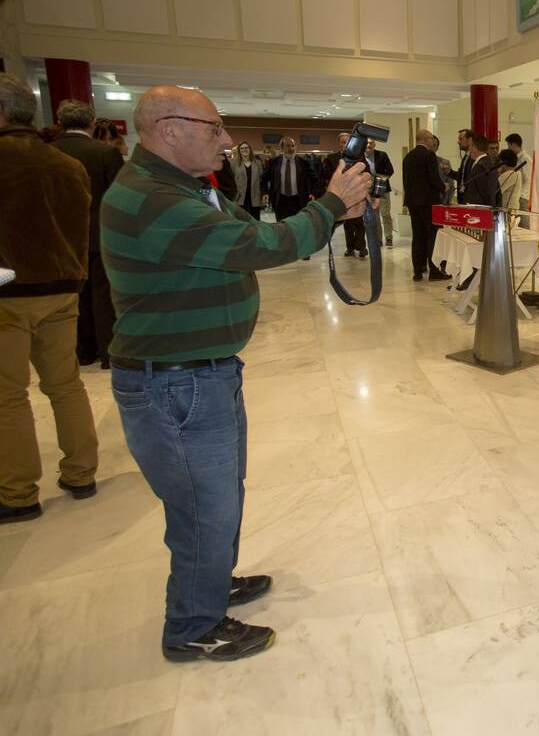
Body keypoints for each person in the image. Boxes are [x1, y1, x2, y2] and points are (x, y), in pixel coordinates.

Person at [101, 85, 372, 662]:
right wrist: (328, 205)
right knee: (205, 506)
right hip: (177, 383)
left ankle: (210, 582)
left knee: (217, 496)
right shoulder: (155, 199)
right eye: (214, 127)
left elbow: (246, 237)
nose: (226, 140)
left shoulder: (182, 188)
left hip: (198, 375)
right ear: (168, 129)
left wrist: (328, 214)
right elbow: (257, 243)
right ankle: (193, 627)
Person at [0, 75, 99, 523]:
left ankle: (18, 492)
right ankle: (81, 472)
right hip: (62, 287)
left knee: (8, 396)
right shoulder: (65, 164)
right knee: (65, 384)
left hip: (9, 292)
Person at [51, 98, 124, 368]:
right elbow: (120, 197)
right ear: (92, 123)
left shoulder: (51, 151)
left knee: (76, 294)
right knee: (104, 293)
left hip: (63, 235)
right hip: (100, 232)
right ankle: (108, 351)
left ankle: (83, 350)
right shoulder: (105, 153)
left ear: (61, 122)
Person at [403, 129, 449, 282]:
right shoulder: (429, 155)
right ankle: (434, 272)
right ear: (425, 139)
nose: (432, 141)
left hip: (412, 202)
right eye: (431, 138)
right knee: (432, 236)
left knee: (417, 236)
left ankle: (417, 271)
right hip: (428, 202)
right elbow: (433, 179)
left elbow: (406, 181)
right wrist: (444, 187)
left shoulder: (408, 157)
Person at [266, 137, 314, 222]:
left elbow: (314, 178)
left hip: (299, 201)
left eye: (293, 146)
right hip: (280, 200)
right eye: (287, 146)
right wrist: (265, 193)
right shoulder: (274, 162)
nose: (291, 148)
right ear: (282, 148)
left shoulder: (304, 162)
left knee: (299, 226)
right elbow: (264, 178)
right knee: (282, 227)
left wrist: (313, 192)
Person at [364, 139, 396, 246]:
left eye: (371, 143)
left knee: (385, 213)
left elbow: (390, 170)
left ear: (374, 145)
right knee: (375, 215)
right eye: (367, 143)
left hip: (381, 186)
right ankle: (378, 239)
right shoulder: (360, 157)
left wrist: (380, 179)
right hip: (368, 189)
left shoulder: (382, 155)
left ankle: (389, 237)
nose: (369, 145)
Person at [460, 132, 502, 207]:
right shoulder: (490, 163)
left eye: (470, 147)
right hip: (487, 209)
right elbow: (497, 191)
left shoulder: (481, 166)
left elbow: (485, 192)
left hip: (479, 211)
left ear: (474, 148)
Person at [229, 141, 264, 219]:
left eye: (246, 148)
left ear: (250, 149)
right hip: (240, 196)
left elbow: (261, 179)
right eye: (242, 148)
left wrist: (263, 194)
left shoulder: (257, 163)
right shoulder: (234, 163)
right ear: (239, 151)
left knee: (255, 219)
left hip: (254, 196)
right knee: (241, 219)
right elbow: (231, 180)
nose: (244, 150)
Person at [497, 148, 526, 222]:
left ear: (503, 162)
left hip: (505, 214)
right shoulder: (517, 174)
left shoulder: (508, 175)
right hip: (512, 212)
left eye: (500, 161)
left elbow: (496, 192)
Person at [506, 133, 531, 212]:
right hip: (517, 197)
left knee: (524, 223)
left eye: (508, 146)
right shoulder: (517, 159)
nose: (508, 148)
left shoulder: (525, 159)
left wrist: (521, 195)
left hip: (523, 198)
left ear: (513, 144)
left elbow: (529, 179)